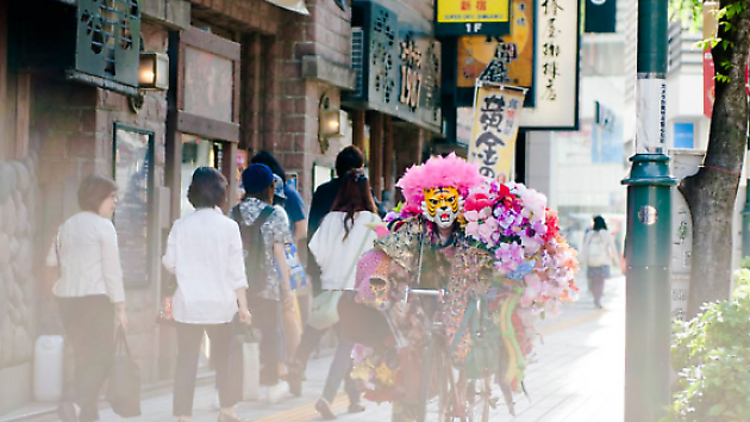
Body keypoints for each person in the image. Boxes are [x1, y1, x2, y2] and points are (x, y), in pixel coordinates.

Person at [289, 170, 381, 419]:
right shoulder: (374, 222)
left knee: (345, 346)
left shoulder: (329, 220)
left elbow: (317, 255)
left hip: (330, 292)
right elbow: (381, 261)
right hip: (355, 294)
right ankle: (327, 398)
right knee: (345, 348)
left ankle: (353, 399)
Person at [162, 167, 252, 422]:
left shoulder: (181, 225)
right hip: (221, 305)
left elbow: (170, 263)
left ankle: (183, 416)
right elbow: (237, 271)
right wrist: (243, 306)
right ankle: (227, 410)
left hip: (188, 304)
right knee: (224, 359)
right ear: (220, 194)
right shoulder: (228, 227)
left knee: (186, 361)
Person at [46, 174, 127, 422]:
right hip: (96, 301)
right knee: (101, 359)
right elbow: (112, 272)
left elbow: (50, 262)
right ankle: (76, 403)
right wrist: (121, 309)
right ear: (97, 197)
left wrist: (56, 293)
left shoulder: (65, 226)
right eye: (111, 196)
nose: (115, 201)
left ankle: (84, 416)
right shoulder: (104, 227)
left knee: (84, 359)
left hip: (68, 301)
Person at [234, 163, 294, 404]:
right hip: (267, 286)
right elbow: (280, 255)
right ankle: (271, 386)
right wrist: (287, 288)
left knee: (237, 337)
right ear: (270, 187)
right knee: (270, 335)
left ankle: (232, 387)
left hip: (239, 289)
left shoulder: (233, 213)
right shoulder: (276, 214)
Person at [580, 215, 620, 309]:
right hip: (603, 262)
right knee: (600, 282)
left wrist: (582, 261)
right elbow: (612, 248)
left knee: (593, 281)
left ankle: (595, 297)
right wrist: (617, 262)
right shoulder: (606, 234)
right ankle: (598, 299)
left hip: (591, 262)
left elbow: (585, 248)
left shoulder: (590, 234)